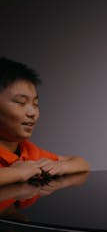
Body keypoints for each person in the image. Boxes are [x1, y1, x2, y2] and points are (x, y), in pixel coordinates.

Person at [0, 57, 90, 186]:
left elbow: (82, 163)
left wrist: (61, 166)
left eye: (35, 104)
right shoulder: (24, 165)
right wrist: (17, 173)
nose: (32, 113)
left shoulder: (27, 151)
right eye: (21, 102)